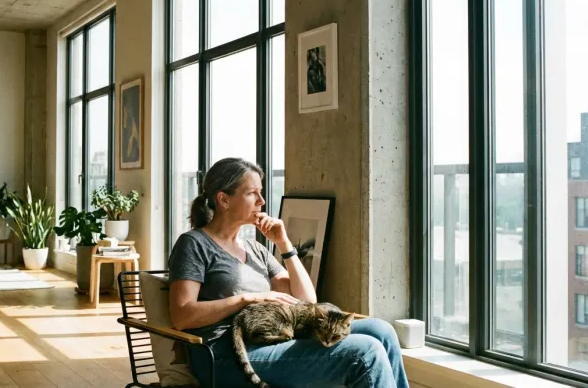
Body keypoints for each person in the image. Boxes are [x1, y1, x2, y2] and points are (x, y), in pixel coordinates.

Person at [168, 157, 409, 388]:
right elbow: (182, 316)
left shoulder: (255, 248)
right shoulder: (194, 244)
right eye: (252, 193)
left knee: (381, 331)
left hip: (271, 338)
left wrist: (284, 245)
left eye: (260, 192)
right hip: (226, 353)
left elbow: (306, 301)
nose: (262, 200)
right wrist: (248, 299)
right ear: (224, 199)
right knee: (366, 351)